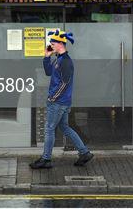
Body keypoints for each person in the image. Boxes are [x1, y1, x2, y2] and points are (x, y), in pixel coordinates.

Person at [29, 30, 93, 169]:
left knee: (49, 128)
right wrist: (46, 57)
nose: (50, 45)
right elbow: (48, 72)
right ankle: (84, 153)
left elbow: (65, 83)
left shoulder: (66, 62)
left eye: (52, 43)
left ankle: (46, 159)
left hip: (58, 102)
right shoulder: (58, 59)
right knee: (64, 127)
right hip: (61, 102)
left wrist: (53, 98)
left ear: (60, 44)